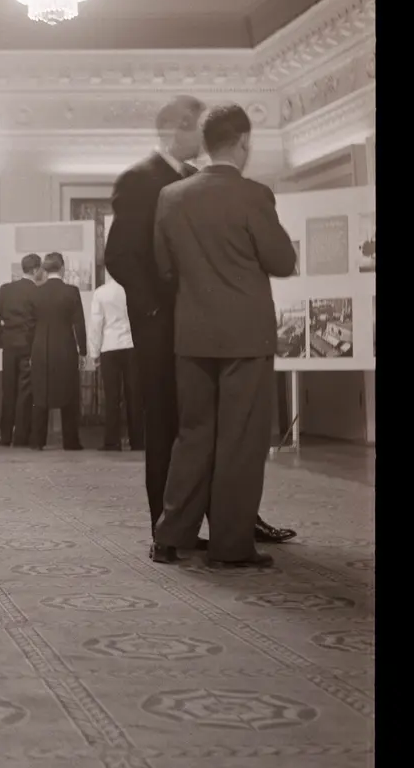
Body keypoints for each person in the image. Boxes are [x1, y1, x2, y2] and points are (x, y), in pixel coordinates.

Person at [105, 96, 295, 548]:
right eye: (196, 127)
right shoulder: (141, 179)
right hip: (168, 328)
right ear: (177, 129)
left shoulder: (185, 184)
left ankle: (207, 525)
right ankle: (176, 527)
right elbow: (119, 256)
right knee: (178, 429)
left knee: (204, 430)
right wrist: (156, 310)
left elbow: (172, 258)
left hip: (193, 325)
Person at [27, 253, 86, 451]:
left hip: (40, 348)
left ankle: (37, 441)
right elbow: (79, 323)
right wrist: (83, 351)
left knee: (40, 394)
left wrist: (30, 351)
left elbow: (30, 326)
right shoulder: (71, 292)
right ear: (62, 268)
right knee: (69, 394)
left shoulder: (36, 293)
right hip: (65, 348)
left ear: (45, 269)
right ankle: (71, 441)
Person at [0, 253, 43, 447]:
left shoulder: (6, 290)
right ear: (35, 270)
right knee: (25, 393)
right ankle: (21, 437)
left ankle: (5, 437)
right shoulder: (38, 292)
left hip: (9, 347)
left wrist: (3, 339)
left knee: (8, 391)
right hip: (29, 347)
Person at [88, 274, 144, 452]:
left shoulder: (101, 293)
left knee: (112, 396)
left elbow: (96, 324)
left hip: (109, 346)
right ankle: (137, 440)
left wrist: (94, 352)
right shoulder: (134, 290)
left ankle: (112, 441)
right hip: (132, 346)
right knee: (134, 395)